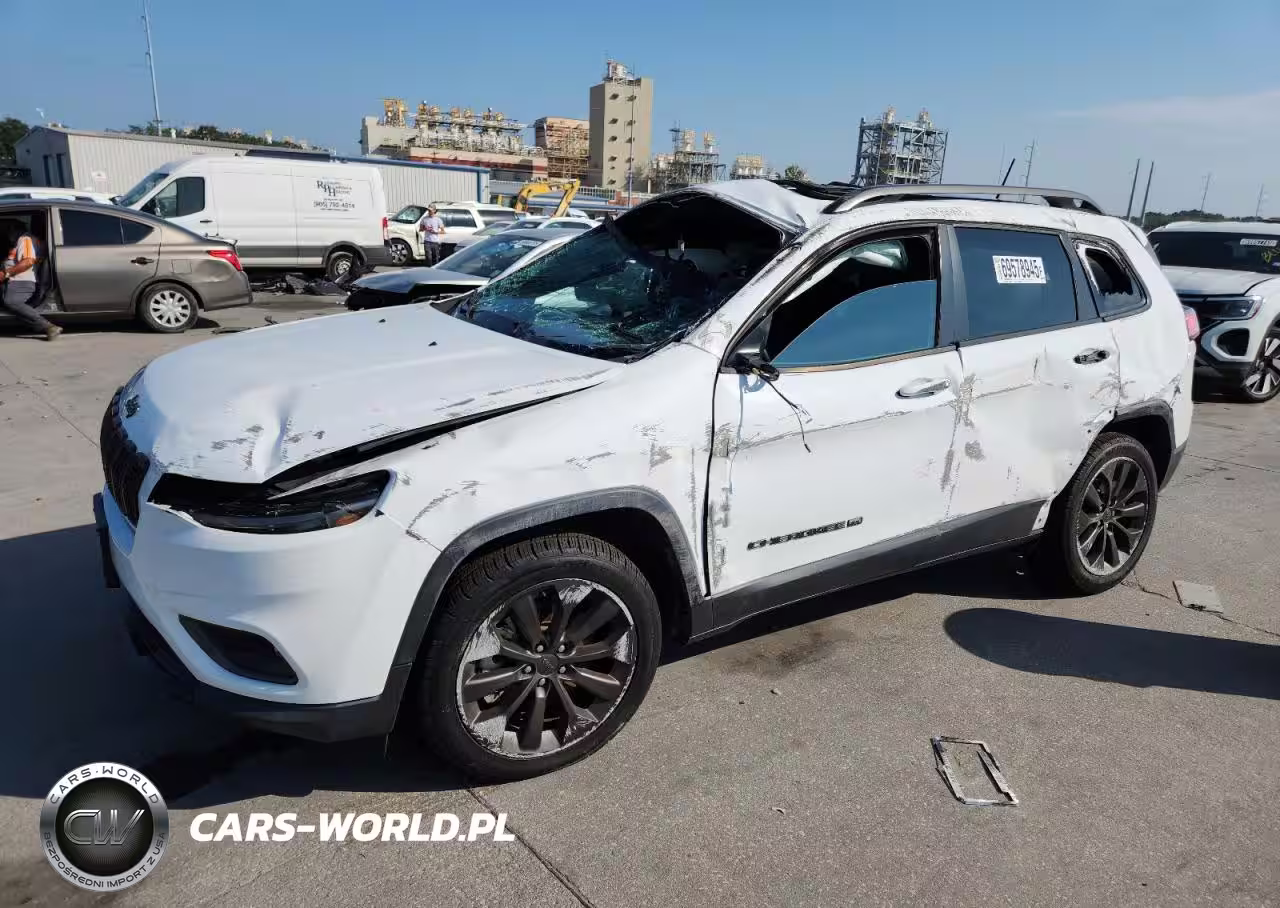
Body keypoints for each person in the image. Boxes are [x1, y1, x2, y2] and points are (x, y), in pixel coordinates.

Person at [0, 219, 60, 341]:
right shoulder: (18, 241)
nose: (6, 233)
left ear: (14, 229)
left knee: (11, 302)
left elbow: (28, 261)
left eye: (7, 229)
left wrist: (5, 273)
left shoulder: (25, 239)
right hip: (13, 280)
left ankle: (48, 327)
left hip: (21, 280)